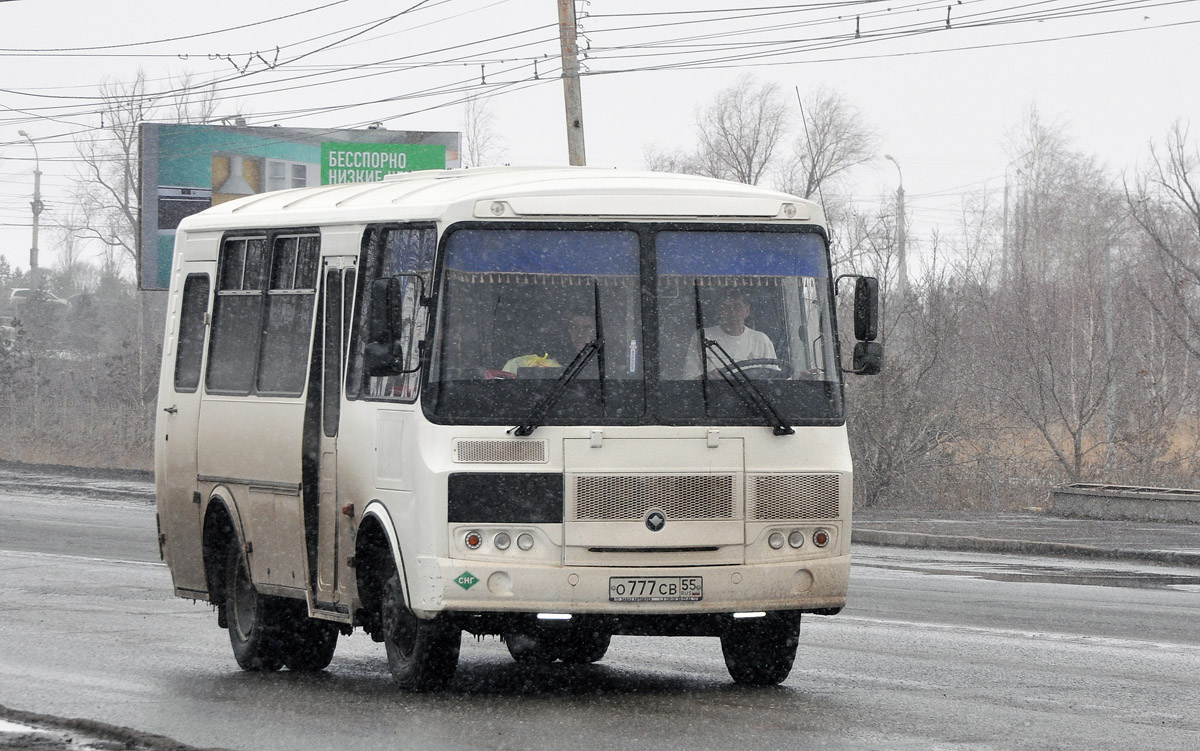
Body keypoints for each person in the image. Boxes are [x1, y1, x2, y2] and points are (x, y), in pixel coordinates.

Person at [682, 288, 776, 379]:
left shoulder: (761, 340)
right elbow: (689, 380)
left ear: (747, 311)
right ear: (719, 311)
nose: (732, 312)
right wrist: (706, 378)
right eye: (726, 308)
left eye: (737, 307)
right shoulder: (703, 337)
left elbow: (775, 377)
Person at [496, 310, 597, 377]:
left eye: (587, 328)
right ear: (568, 330)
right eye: (574, 327)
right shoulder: (552, 356)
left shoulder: (606, 361)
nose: (580, 333)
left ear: (595, 332)